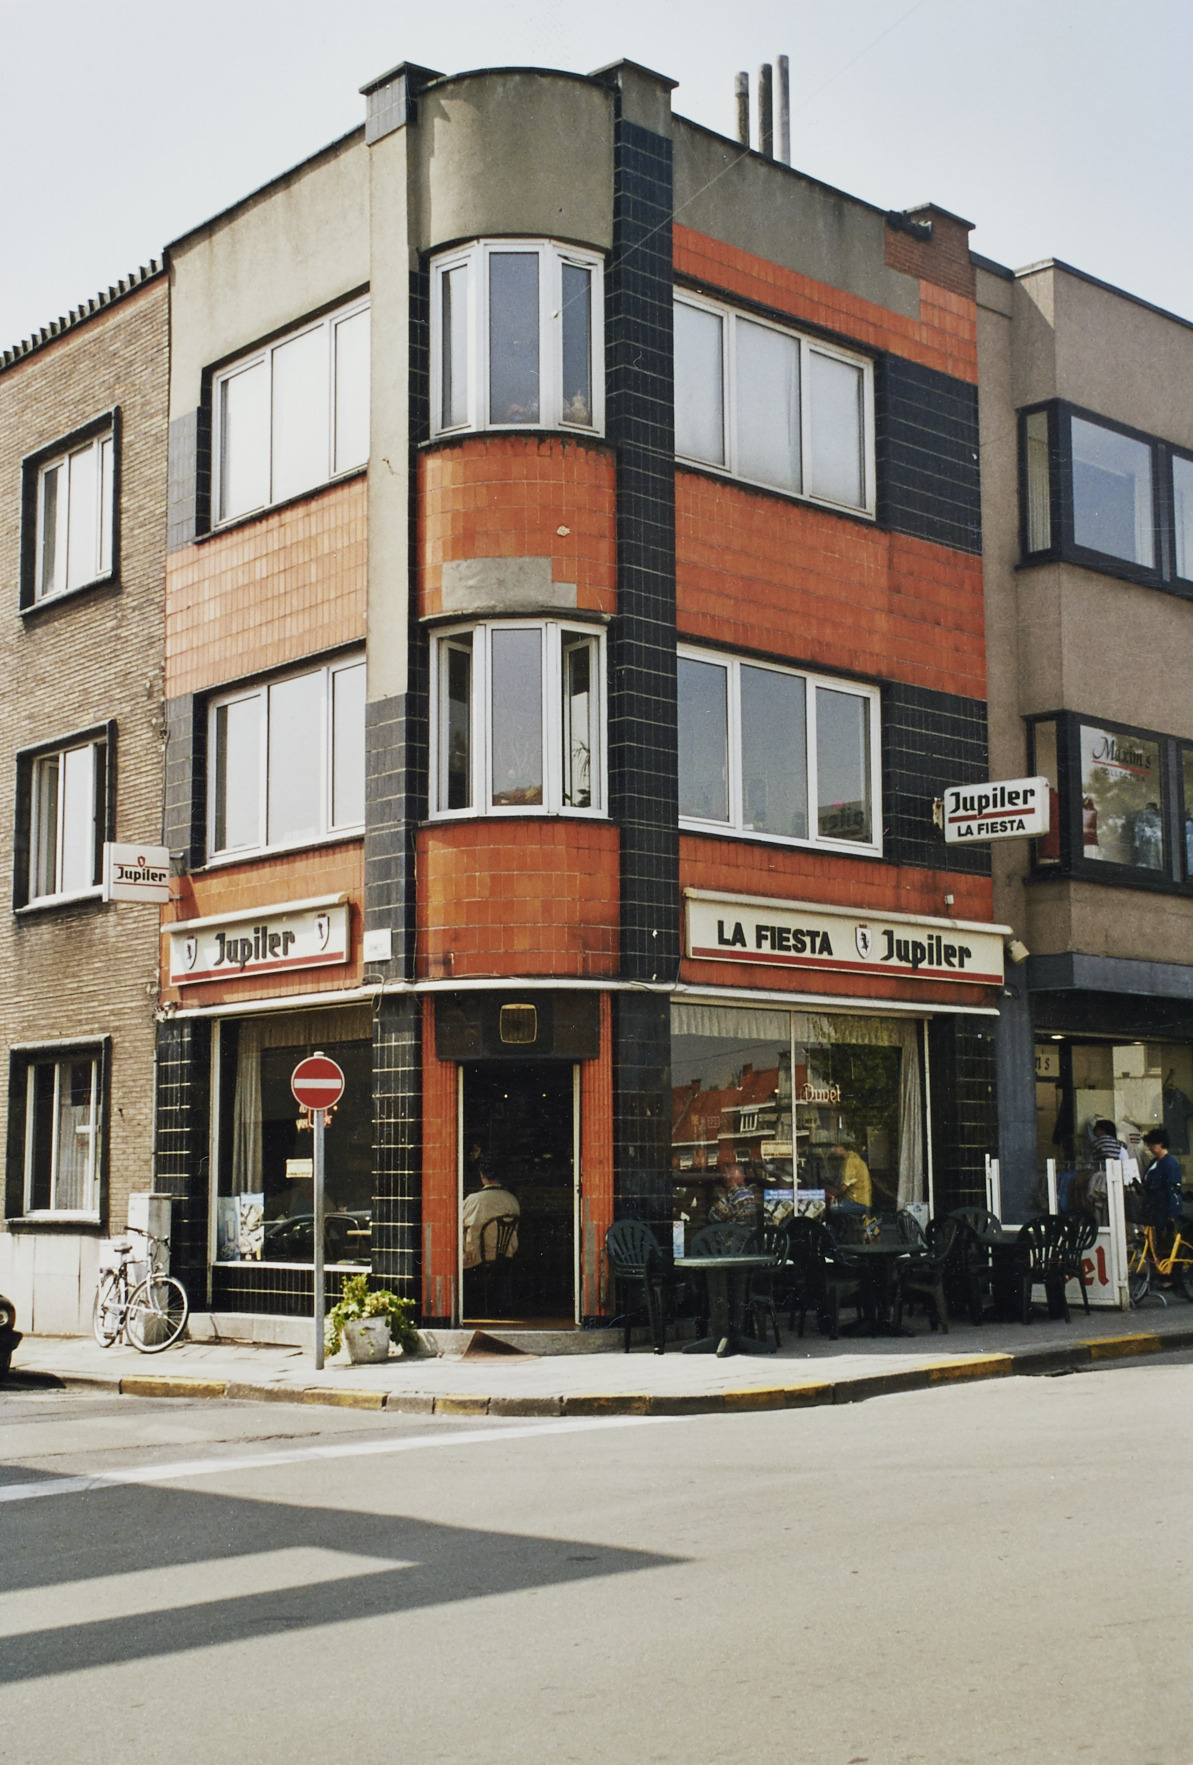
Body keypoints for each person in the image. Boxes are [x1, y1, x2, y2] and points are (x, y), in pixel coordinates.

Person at [461, 1158, 520, 1270]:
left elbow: (459, 1226)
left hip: (476, 1262)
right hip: (505, 1261)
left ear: (482, 1176)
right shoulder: (512, 1200)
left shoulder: (474, 1200)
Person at [1141, 1128, 1184, 1242]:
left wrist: (1172, 1214)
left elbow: (1173, 1189)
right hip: (1153, 1208)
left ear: (1160, 1144)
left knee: (1165, 1242)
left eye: (1152, 1145)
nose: (1150, 1148)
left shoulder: (1170, 1164)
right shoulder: (1154, 1162)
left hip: (1164, 1208)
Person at [829, 1141, 872, 1209]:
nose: (832, 1150)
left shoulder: (851, 1161)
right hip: (854, 1199)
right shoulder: (848, 1159)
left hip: (858, 1202)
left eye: (834, 1148)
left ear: (841, 1148)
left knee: (832, 1209)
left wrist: (833, 1192)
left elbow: (845, 1186)